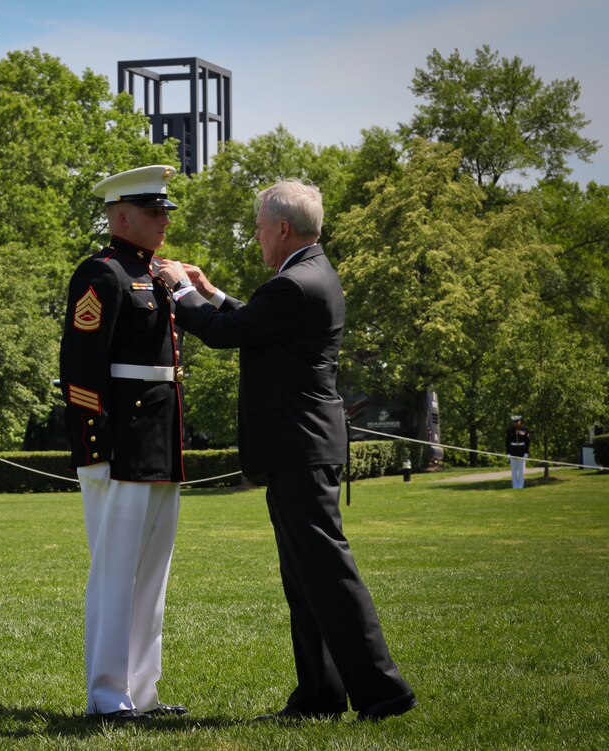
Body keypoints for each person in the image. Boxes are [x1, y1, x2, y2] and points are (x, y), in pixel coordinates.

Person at [158, 179, 417, 723]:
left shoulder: (295, 284)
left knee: (327, 575)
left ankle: (384, 692)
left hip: (299, 447)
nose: (254, 237)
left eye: (257, 227)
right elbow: (253, 322)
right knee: (305, 579)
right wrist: (210, 292)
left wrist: (179, 289)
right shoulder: (306, 276)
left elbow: (229, 334)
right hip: (300, 447)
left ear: (281, 228)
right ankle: (320, 697)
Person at [59, 164, 189, 723]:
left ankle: (143, 692)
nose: (163, 220)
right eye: (153, 211)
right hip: (119, 447)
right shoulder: (102, 274)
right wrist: (97, 447)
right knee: (115, 575)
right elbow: (80, 371)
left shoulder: (154, 275)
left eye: (164, 211)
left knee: (151, 576)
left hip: (158, 443)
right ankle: (108, 697)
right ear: (121, 216)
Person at [506, 415, 531, 489]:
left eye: (518, 421)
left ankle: (520, 485)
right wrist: (508, 453)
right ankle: (515, 485)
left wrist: (526, 452)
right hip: (513, 451)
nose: (516, 423)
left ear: (520, 421)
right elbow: (507, 443)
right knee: (514, 471)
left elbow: (528, 442)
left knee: (521, 471)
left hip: (521, 451)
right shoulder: (509, 431)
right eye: (515, 422)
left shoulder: (525, 430)